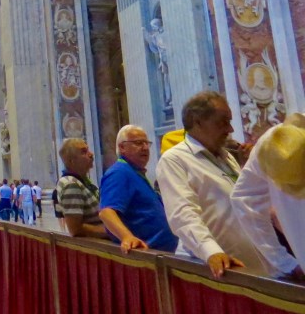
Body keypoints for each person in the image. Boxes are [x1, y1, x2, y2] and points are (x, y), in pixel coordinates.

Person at [156, 91, 267, 278]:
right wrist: (211, 251)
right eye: (222, 122)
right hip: (214, 268)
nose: (230, 129)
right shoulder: (174, 159)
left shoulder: (226, 156)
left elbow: (239, 202)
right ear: (197, 121)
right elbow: (183, 214)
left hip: (249, 264)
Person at [232, 112, 305, 280]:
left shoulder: (273, 139)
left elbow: (244, 199)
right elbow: (244, 199)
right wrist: (285, 262)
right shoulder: (276, 143)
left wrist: (284, 262)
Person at [99, 125, 178, 253]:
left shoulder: (134, 172)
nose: (145, 148)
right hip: (145, 253)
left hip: (160, 252)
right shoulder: (119, 172)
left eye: (147, 143)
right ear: (122, 147)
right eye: (138, 143)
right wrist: (127, 237)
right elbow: (106, 212)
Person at [55, 138, 107, 239]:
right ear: (71, 161)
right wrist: (111, 231)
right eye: (84, 152)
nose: (91, 154)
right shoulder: (71, 184)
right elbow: (75, 229)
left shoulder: (81, 181)